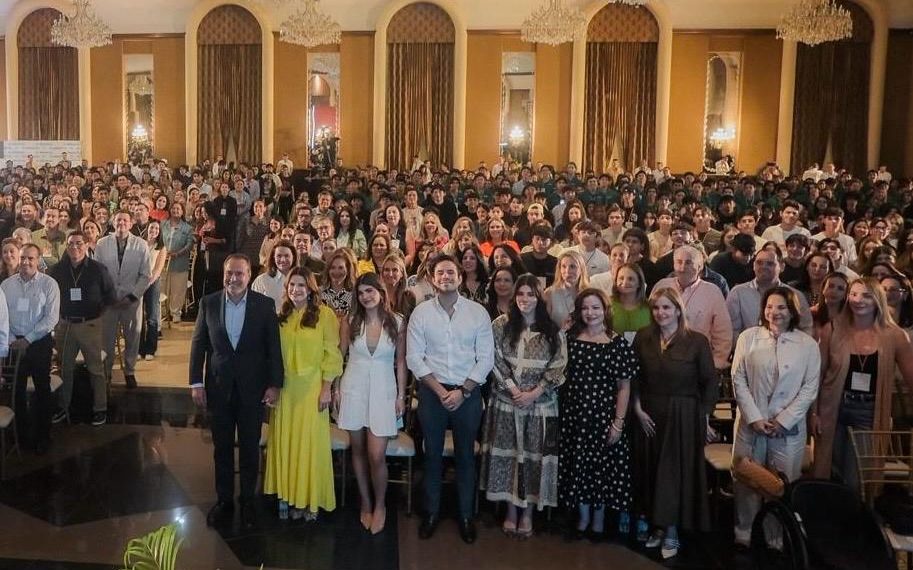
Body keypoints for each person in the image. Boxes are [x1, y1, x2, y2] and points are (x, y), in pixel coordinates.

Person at [190, 254, 284, 530]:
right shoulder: (208, 303)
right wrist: (195, 382)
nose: (233, 278)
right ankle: (224, 501)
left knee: (250, 448)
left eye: (239, 274)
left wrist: (274, 383)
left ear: (248, 275)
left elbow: (273, 349)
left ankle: (247, 501)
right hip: (218, 389)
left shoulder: (264, 305)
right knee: (221, 448)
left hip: (252, 390)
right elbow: (198, 345)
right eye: (229, 273)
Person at [406, 254, 494, 544]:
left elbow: (485, 359)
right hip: (433, 393)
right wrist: (442, 392)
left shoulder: (477, 312)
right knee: (431, 455)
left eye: (451, 272)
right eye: (440, 272)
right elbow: (414, 359)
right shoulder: (421, 313)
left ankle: (466, 515)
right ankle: (431, 513)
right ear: (432, 278)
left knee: (466, 456)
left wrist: (463, 391)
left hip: (466, 394)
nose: (446, 277)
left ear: (459, 277)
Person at [730, 287, 820, 547]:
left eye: (781, 307)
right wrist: (755, 417)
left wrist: (784, 419)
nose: (775, 312)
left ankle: (776, 537)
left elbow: (810, 387)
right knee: (747, 480)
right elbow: (738, 378)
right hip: (752, 423)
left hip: (787, 429)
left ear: (792, 311)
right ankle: (744, 532)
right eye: (770, 306)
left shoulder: (807, 345)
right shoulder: (749, 337)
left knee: (780, 484)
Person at [632, 287, 718, 559]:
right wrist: (637, 410)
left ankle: (671, 531)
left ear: (678, 310)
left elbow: (709, 383)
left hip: (683, 415)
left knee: (675, 474)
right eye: (656, 308)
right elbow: (632, 377)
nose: (661, 313)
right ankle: (657, 527)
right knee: (652, 471)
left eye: (667, 308)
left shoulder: (697, 341)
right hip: (649, 414)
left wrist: (704, 418)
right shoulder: (644, 337)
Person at [480, 274, 567, 538]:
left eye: (531, 294)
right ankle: (511, 511)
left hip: (541, 407)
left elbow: (559, 366)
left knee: (533, 459)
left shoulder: (552, 330)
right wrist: (514, 389)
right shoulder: (500, 325)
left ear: (539, 297)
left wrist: (535, 392)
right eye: (521, 294)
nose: (525, 299)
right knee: (508, 457)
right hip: (507, 403)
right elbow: (493, 358)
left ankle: (528, 512)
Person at [811, 278, 913, 490]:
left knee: (857, 477)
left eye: (866, 295)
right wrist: (814, 413)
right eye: (854, 294)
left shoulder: (896, 336)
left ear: (878, 299)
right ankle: (831, 520)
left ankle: (855, 520)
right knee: (831, 471)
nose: (858, 300)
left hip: (869, 410)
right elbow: (817, 376)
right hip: (834, 408)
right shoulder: (832, 329)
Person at [263, 266, 343, 521]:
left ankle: (309, 500)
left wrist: (327, 388)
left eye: (301, 286)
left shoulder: (325, 315)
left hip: (312, 389)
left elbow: (332, 354)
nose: (296, 290)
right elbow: (271, 355)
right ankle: (287, 496)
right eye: (292, 286)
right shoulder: (281, 316)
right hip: (286, 390)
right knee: (286, 442)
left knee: (309, 445)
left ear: (310, 289)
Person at [559, 288, 637, 541]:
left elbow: (624, 387)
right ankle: (582, 518)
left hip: (604, 415)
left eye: (595, 307)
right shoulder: (570, 338)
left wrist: (618, 423)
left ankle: (599, 521)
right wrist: (561, 330)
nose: (590, 313)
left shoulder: (616, 343)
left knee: (601, 469)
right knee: (578, 465)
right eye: (585, 308)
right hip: (574, 414)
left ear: (605, 310)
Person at [336, 273, 407, 534]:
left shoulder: (397, 322)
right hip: (353, 388)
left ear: (381, 292)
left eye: (370, 291)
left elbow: (401, 361)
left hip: (384, 391)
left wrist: (401, 396)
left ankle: (380, 505)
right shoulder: (350, 321)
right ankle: (365, 502)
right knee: (357, 450)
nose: (366, 296)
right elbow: (338, 355)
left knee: (376, 455)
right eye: (361, 292)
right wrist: (334, 388)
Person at [49, 230, 116, 426]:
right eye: (71, 244)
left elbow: (110, 297)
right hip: (66, 326)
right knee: (65, 369)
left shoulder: (98, 269)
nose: (74, 247)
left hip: (90, 324)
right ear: (66, 246)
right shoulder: (56, 270)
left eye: (79, 243)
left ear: (86, 245)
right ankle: (63, 406)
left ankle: (100, 408)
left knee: (95, 370)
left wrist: (96, 317)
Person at [1, 243, 57, 454]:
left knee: (42, 390)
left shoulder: (49, 284)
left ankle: (43, 435)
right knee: (16, 390)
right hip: (14, 343)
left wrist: (29, 339)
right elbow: (2, 315)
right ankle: (21, 436)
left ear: (38, 260)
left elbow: (51, 318)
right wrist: (15, 339)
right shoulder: (6, 285)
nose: (25, 262)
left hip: (39, 343)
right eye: (23, 258)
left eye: (30, 258)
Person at [95, 211, 151, 390]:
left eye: (125, 220)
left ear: (131, 223)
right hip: (109, 301)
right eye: (118, 220)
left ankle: (129, 371)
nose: (121, 223)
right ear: (113, 222)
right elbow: (98, 273)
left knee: (132, 336)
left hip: (131, 300)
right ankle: (107, 372)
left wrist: (133, 296)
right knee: (107, 339)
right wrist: (106, 296)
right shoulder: (102, 244)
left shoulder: (141, 245)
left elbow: (145, 275)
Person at [653, 245, 733, 369]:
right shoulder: (662, 285)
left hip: (697, 361)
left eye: (688, 262)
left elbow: (723, 331)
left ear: (700, 267)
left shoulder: (712, 291)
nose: (682, 267)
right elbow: (650, 320)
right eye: (678, 262)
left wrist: (716, 361)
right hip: (662, 358)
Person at [161, 202, 194, 324]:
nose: (175, 210)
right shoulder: (163, 224)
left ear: (182, 211)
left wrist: (177, 253)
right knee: (163, 286)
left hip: (179, 262)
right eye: (173, 208)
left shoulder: (187, 228)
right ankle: (163, 312)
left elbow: (189, 244)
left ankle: (175, 313)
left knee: (178, 289)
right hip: (163, 261)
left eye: (178, 209)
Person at [139, 220, 166, 360]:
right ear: (147, 229)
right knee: (139, 317)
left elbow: (158, 269)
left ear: (159, 231)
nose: (153, 230)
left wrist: (148, 282)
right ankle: (139, 348)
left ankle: (150, 349)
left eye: (156, 228)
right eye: (151, 228)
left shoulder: (160, 247)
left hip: (152, 283)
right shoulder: (140, 244)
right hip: (138, 282)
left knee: (152, 316)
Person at [544, 250, 589, 330]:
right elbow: (544, 324)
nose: (567, 271)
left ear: (581, 269)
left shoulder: (590, 294)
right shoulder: (549, 293)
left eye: (572, 266)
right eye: (564, 266)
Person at [251, 240, 297, 313]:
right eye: (279, 256)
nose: (283, 260)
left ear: (293, 257)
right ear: (273, 258)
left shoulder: (301, 279)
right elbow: (254, 307)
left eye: (286, 256)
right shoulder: (262, 280)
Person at [320, 249, 356, 315]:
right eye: (333, 267)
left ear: (348, 270)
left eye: (341, 268)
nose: (336, 272)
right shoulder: (319, 293)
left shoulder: (355, 294)